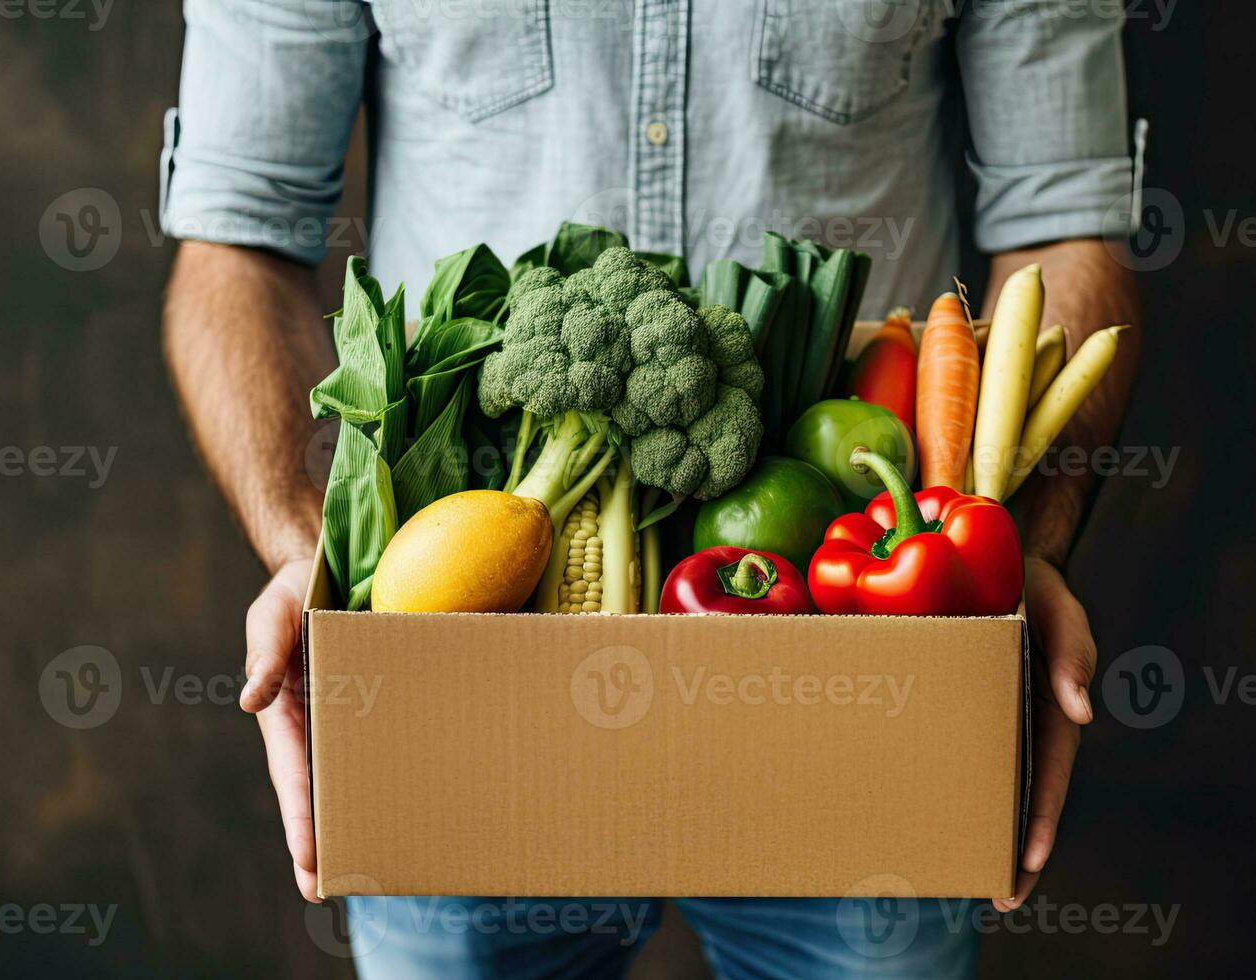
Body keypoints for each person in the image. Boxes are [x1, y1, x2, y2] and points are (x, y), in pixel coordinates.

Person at [162, 1, 1141, 976]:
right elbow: (234, 242)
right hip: (461, 679)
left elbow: (1066, 223)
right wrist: (312, 551)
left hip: (865, 667)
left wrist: (1020, 555)